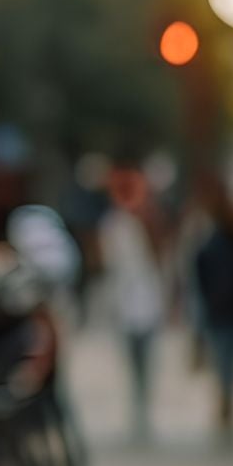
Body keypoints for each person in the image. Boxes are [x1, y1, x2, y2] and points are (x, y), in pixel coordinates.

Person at [187, 173, 233, 441]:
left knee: (230, 360)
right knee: (225, 360)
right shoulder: (206, 230)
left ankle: (228, 400)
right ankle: (227, 400)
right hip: (222, 309)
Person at [97, 162, 166, 445]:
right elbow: (108, 263)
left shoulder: (148, 222)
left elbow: (160, 259)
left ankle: (143, 414)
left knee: (146, 364)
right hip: (124, 304)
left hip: (147, 302)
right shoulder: (112, 225)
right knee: (133, 365)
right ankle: (137, 414)